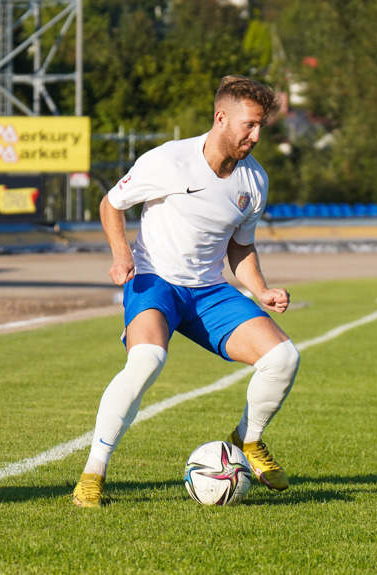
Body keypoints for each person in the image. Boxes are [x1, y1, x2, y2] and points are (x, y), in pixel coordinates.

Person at [72, 76, 301, 508]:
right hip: (155, 281)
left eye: (260, 128)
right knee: (147, 361)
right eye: (249, 125)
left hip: (209, 291)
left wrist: (260, 289)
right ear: (221, 118)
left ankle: (247, 440)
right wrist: (122, 254)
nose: (255, 136)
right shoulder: (168, 161)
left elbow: (240, 245)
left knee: (283, 357)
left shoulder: (255, 182)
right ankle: (92, 474)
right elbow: (111, 204)